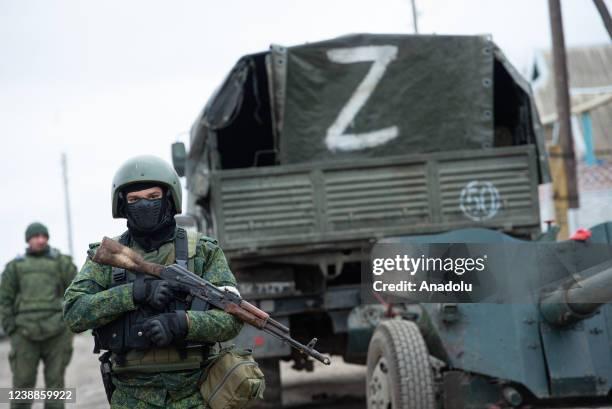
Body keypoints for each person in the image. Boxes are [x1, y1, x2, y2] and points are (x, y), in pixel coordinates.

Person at [63, 155, 243, 408]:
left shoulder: (203, 251)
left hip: (194, 393)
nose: (144, 205)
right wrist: (134, 293)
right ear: (123, 205)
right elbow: (74, 313)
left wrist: (182, 323)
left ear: (169, 199)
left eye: (153, 197)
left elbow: (233, 319)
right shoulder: (106, 257)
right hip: (130, 396)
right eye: (134, 200)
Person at [0, 222, 77, 409]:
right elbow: (4, 299)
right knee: (22, 384)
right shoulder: (14, 267)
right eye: (36, 236)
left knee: (55, 386)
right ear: (28, 239)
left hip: (57, 333)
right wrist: (12, 329)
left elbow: (77, 290)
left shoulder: (61, 262)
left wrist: (69, 326)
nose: (41, 240)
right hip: (24, 334)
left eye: (44, 236)